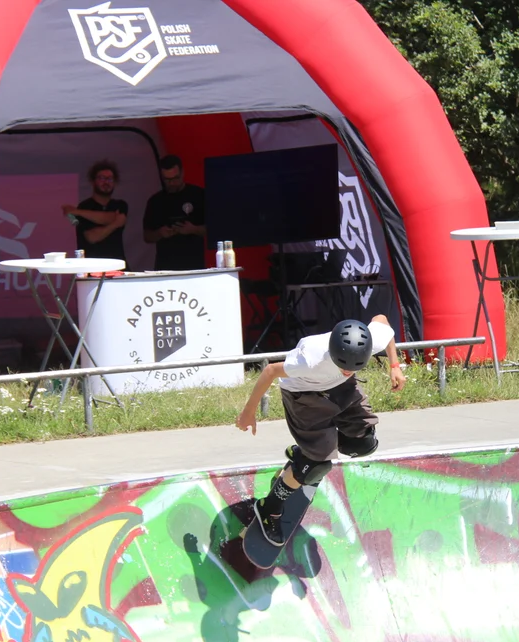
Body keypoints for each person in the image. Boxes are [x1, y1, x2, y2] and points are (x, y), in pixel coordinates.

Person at [235, 315, 406, 546]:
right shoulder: (309, 358)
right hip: (303, 396)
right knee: (317, 466)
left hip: (341, 390)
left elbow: (383, 321)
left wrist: (394, 366)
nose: (347, 370)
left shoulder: (367, 340)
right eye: (343, 366)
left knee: (364, 444)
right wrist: (249, 411)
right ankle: (270, 508)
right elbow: (270, 372)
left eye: (352, 368)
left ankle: (304, 453)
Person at [143, 155, 206, 271]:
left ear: (182, 173)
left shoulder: (198, 195)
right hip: (165, 266)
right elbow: (147, 236)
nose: (172, 183)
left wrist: (193, 229)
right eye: (167, 180)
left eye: (175, 178)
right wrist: (160, 233)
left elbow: (214, 230)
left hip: (194, 265)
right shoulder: (155, 201)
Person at [60, 159, 127, 262]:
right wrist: (115, 224)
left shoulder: (120, 205)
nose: (106, 182)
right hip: (91, 266)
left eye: (110, 179)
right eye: (102, 178)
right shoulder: (85, 206)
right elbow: (92, 237)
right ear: (93, 181)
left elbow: (110, 218)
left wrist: (77, 212)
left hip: (117, 264)